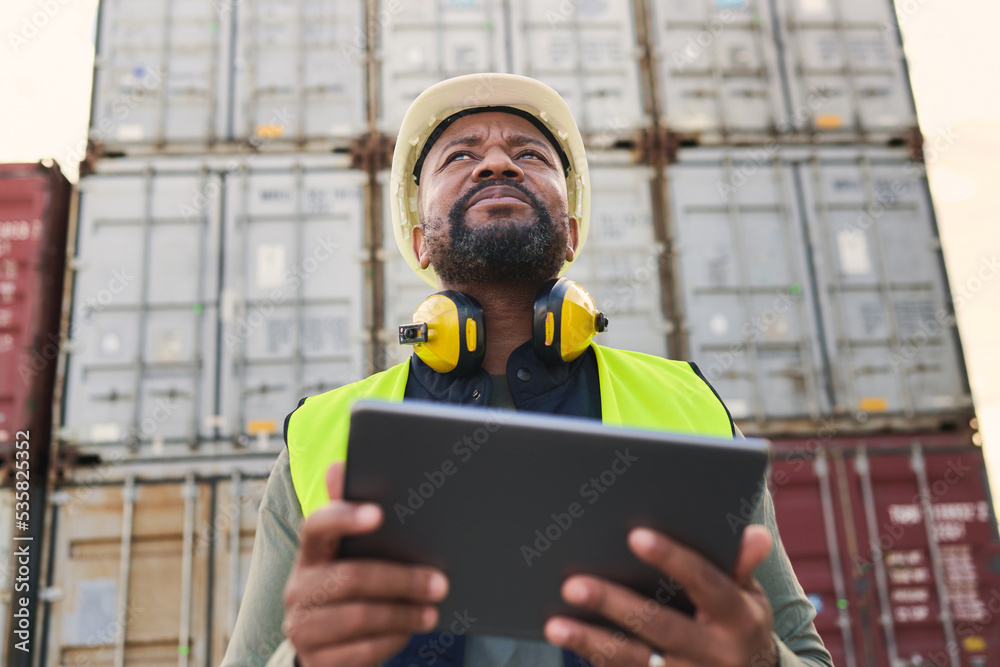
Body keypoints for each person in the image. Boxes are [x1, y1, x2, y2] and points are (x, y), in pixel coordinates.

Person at [221, 74, 834, 667]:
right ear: (419, 244)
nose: (497, 164)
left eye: (530, 155)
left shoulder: (688, 405)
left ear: (570, 233)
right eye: (460, 156)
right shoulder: (321, 436)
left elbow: (802, 655)